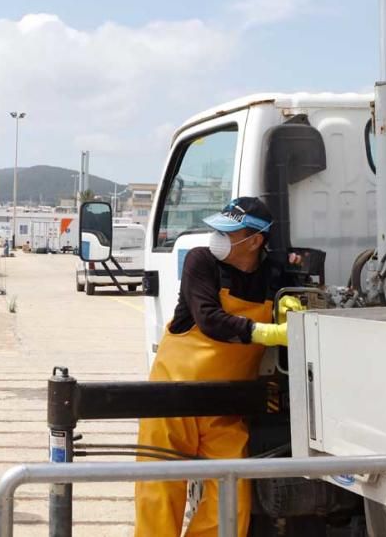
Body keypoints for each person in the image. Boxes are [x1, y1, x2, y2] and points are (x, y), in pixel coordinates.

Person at [134, 197, 301, 536]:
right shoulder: (201, 262)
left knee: (230, 497)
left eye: (228, 232)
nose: (216, 238)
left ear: (255, 241)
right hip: (172, 398)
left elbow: (298, 281)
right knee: (159, 491)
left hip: (226, 405)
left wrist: (288, 302)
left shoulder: (273, 273)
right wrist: (264, 331)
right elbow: (209, 319)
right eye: (216, 229)